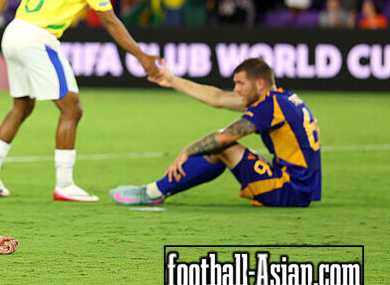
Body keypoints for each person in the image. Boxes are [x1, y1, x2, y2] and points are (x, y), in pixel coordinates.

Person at [0, 0, 160, 202]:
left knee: (22, 106)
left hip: (14, 30)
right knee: (72, 108)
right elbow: (110, 22)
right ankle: (64, 184)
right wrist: (142, 56)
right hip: (39, 38)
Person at [110, 58, 322, 208]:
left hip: (289, 190)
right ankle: (158, 191)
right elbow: (218, 98)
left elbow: (224, 137)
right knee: (219, 145)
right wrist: (173, 80)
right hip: (301, 188)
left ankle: (153, 192)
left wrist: (187, 151)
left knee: (222, 146)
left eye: (240, 83)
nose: (236, 89)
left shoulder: (268, 107)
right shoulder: (282, 99)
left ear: (259, 83)